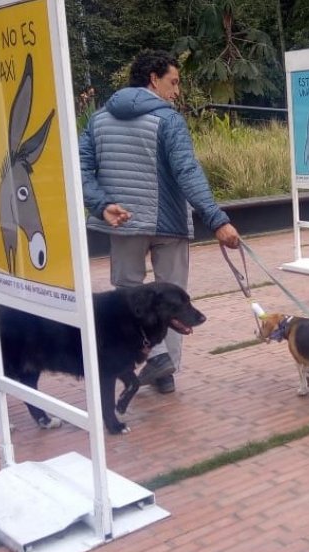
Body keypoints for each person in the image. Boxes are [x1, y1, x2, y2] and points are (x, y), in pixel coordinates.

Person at [80, 49, 240, 394]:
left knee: (126, 296)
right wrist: (217, 220)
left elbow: (79, 170)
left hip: (122, 223)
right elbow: (187, 172)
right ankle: (165, 370)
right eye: (174, 81)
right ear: (153, 79)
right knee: (175, 299)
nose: (177, 90)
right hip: (168, 223)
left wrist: (101, 204)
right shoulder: (168, 120)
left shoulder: (98, 119)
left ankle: (151, 360)